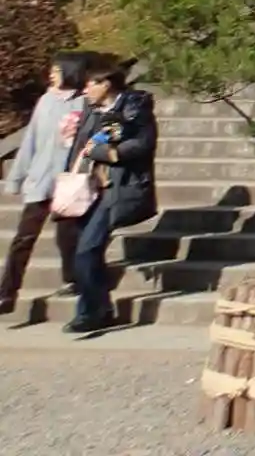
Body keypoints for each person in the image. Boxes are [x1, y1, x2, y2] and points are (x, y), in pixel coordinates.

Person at [64, 62, 157, 336]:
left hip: (116, 187)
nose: (85, 90)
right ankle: (100, 308)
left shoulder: (134, 107)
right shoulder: (92, 110)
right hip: (88, 187)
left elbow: (142, 143)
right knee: (85, 250)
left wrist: (107, 153)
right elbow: (83, 146)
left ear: (106, 84)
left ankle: (90, 312)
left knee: (87, 249)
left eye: (90, 84)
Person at [0, 53, 88, 316]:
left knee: (67, 238)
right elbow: (30, 141)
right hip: (40, 181)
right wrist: (17, 177)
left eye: (57, 70)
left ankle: (73, 279)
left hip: (68, 182)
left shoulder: (85, 102)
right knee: (23, 238)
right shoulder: (46, 100)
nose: (51, 74)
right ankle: (7, 293)